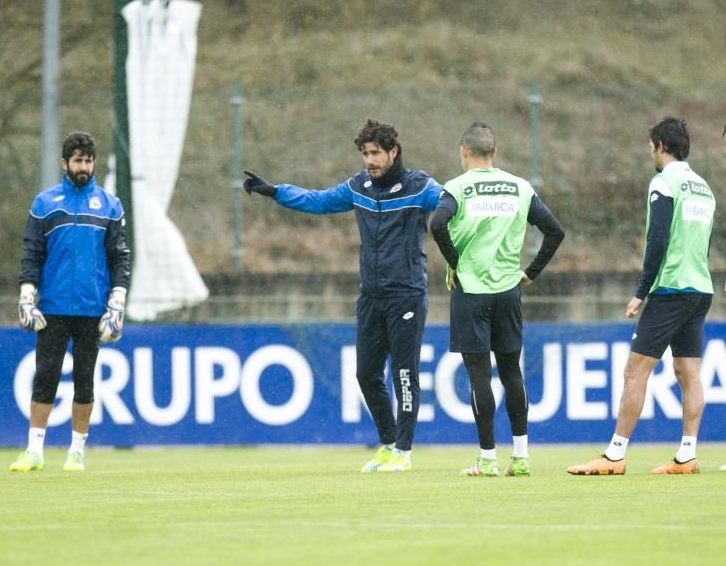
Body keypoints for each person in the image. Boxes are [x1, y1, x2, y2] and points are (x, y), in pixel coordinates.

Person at [244, 119, 441, 472]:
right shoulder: (359, 186)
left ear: (393, 152)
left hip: (407, 295)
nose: (369, 160)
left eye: (376, 153)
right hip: (371, 296)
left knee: (405, 374)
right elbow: (318, 201)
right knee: (366, 374)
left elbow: (449, 201)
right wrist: (276, 192)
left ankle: (404, 453)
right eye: (365, 154)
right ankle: (388, 443)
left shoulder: (419, 186)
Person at [569, 117, 714, 476]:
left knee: (635, 370)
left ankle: (614, 454)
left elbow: (658, 241)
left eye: (651, 145)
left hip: (671, 289)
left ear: (661, 145)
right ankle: (687, 454)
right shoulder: (703, 188)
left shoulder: (664, 183)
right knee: (689, 370)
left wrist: (641, 291)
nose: (649, 150)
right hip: (700, 287)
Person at [430, 122, 564, 477]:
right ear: (494, 154)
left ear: (463, 152)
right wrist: (530, 272)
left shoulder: (456, 188)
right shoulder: (519, 186)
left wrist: (455, 262)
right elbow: (555, 231)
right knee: (511, 373)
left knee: (479, 376)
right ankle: (521, 457)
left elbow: (436, 224)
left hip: (471, 292)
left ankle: (487, 458)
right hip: (508, 291)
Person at [10, 131, 130, 473]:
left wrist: (117, 300)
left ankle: (76, 451)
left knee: (85, 379)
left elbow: (118, 257)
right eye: (78, 160)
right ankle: (34, 451)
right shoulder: (45, 202)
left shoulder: (110, 204)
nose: (84, 166)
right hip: (53, 305)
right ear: (65, 162)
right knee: (45, 376)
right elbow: (32, 253)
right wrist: (26, 295)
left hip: (93, 308)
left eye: (89, 160)